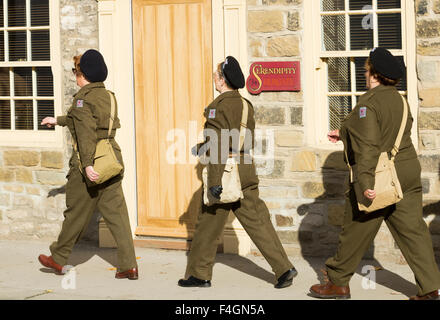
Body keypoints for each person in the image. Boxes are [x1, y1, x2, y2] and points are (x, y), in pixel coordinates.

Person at [309, 47, 440, 300]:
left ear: (374, 74)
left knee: (355, 227)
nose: (364, 72)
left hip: (379, 176)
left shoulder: (368, 103)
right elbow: (392, 133)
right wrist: (345, 132)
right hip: (407, 171)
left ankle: (337, 283)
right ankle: (431, 288)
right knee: (414, 232)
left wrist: (366, 183)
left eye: (367, 69)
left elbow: (369, 147)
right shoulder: (400, 100)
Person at [178, 56, 297, 289]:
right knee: (259, 222)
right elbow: (240, 139)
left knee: (208, 225)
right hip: (245, 167)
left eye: (216, 74)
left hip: (224, 171)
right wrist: (202, 147)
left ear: (222, 80)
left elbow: (219, 142)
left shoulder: (218, 107)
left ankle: (199, 275)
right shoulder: (245, 105)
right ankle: (284, 268)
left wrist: (214, 181)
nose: (214, 76)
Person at [38, 49, 138, 280]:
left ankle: (58, 257)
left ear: (83, 75)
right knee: (118, 216)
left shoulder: (83, 99)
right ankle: (128, 266)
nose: (75, 75)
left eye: (76, 71)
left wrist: (87, 166)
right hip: (111, 160)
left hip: (89, 162)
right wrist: (58, 120)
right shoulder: (108, 96)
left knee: (75, 213)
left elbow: (85, 135)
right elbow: (93, 122)